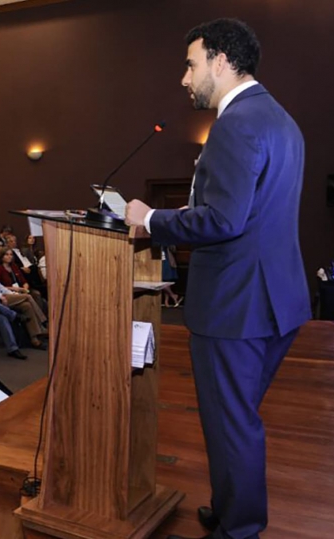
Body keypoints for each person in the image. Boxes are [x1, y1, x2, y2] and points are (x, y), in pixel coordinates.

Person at [122, 20, 311, 539]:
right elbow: (247, 213)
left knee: (232, 425)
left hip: (236, 304)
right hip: (276, 301)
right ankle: (232, 510)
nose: (185, 78)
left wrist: (152, 217)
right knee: (237, 419)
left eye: (190, 64)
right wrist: (195, 209)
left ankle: (240, 528)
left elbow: (224, 222)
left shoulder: (235, 123)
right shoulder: (280, 119)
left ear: (222, 60)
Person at [0, 248, 48, 348]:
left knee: (26, 305)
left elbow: (0, 287)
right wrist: (1, 296)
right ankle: (42, 322)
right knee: (28, 296)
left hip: (3, 295)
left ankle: (34, 339)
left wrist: (12, 293)